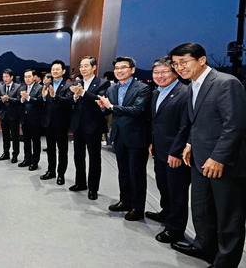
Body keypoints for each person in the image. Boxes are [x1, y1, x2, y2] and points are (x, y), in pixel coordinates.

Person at [168, 43, 246, 267]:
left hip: (224, 162)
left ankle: (226, 261)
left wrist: (219, 157)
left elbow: (235, 125)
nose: (179, 67)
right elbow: (198, 122)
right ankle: (203, 246)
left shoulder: (226, 83)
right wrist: (190, 144)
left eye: (184, 62)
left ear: (202, 60)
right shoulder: (193, 85)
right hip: (200, 160)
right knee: (202, 209)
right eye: (175, 64)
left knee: (228, 216)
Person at [97, 56, 151, 221]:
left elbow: (138, 110)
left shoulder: (142, 88)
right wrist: (104, 108)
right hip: (119, 136)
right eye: (117, 68)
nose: (119, 71)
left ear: (132, 70)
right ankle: (125, 201)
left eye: (123, 67)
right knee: (123, 172)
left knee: (137, 174)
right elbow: (110, 112)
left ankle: (137, 207)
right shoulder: (112, 89)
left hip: (136, 137)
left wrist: (111, 107)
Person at [147, 56, 190, 243]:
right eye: (156, 72)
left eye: (165, 71)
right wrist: (152, 142)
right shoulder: (157, 93)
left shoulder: (185, 93)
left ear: (175, 72)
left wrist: (177, 152)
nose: (160, 76)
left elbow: (186, 126)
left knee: (177, 191)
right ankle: (166, 213)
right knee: (163, 185)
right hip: (159, 149)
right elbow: (155, 122)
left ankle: (175, 229)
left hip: (175, 153)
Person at [68, 56, 110, 199]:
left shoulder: (102, 83)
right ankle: (80, 183)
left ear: (93, 67)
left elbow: (100, 100)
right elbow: (70, 101)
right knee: (78, 156)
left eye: (86, 66)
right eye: (81, 66)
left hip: (93, 126)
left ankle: (93, 188)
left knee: (94, 158)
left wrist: (83, 93)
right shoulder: (77, 83)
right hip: (78, 125)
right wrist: (74, 96)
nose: (83, 69)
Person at [41, 60, 73, 184]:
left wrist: (55, 96)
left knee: (62, 150)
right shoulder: (47, 85)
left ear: (63, 71)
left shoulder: (68, 86)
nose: (54, 71)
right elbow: (44, 103)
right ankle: (51, 171)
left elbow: (69, 101)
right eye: (53, 69)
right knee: (50, 149)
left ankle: (61, 174)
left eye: (57, 69)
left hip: (61, 123)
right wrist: (44, 97)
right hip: (48, 122)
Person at [18, 69, 43, 171]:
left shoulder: (39, 88)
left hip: (35, 119)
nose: (27, 79)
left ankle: (34, 162)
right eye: (25, 77)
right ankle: (26, 159)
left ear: (34, 77)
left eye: (29, 76)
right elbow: (21, 103)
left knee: (36, 141)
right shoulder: (23, 87)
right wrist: (22, 99)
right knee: (26, 140)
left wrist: (28, 98)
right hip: (25, 118)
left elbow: (40, 101)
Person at [0, 69, 22, 163]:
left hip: (14, 116)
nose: (5, 79)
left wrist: (8, 99)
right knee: (5, 135)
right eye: (3, 77)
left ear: (11, 77)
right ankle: (5, 153)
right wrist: (2, 100)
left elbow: (19, 101)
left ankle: (15, 155)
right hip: (4, 115)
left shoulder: (18, 87)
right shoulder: (1, 88)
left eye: (7, 77)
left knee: (15, 136)